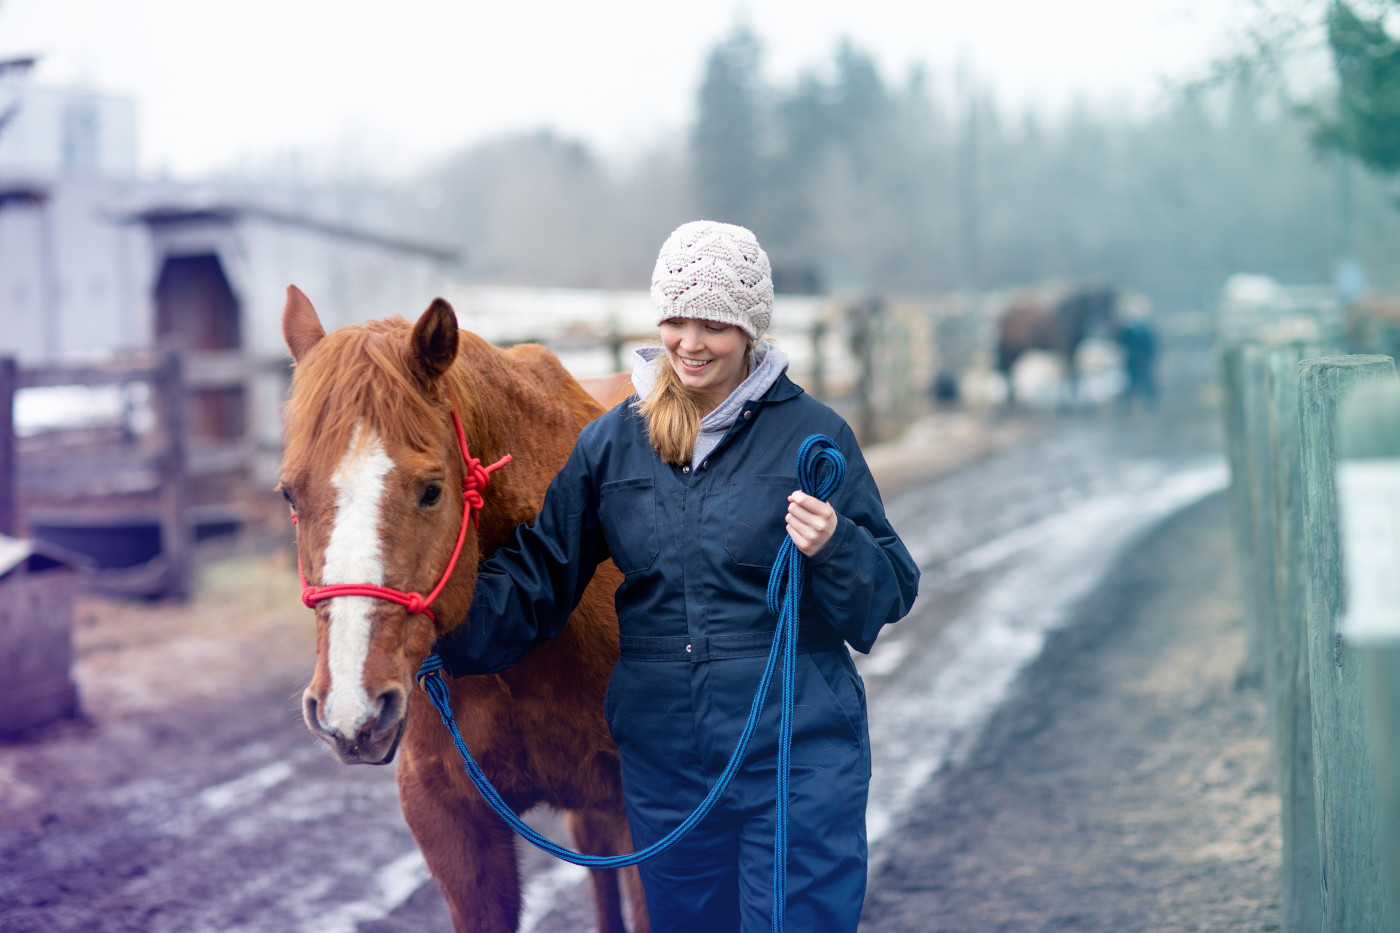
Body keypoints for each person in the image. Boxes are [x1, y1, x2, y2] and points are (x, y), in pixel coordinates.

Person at [433, 220, 920, 931]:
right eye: (677, 319)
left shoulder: (812, 438)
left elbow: (888, 591)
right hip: (668, 769)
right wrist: (434, 631)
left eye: (714, 324)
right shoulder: (613, 443)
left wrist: (836, 545)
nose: (691, 342)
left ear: (750, 329)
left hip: (793, 756)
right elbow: (542, 572)